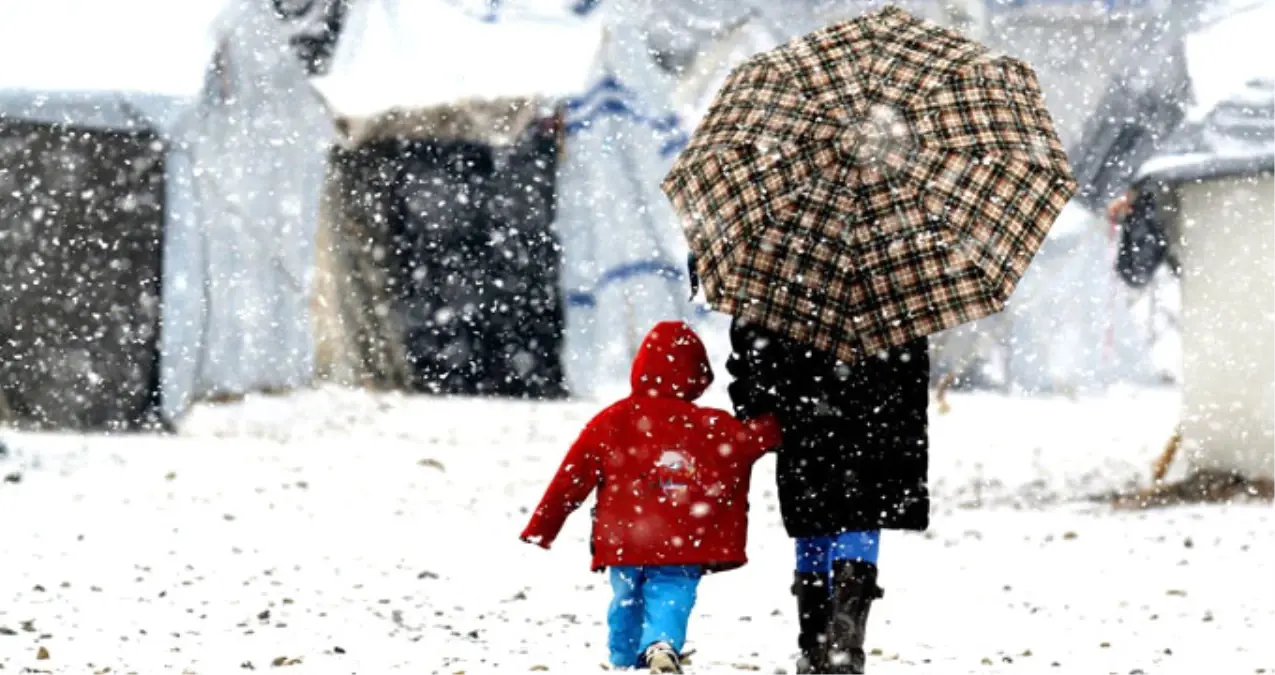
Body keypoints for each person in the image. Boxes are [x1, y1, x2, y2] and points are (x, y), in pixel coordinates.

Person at [520, 320, 781, 674]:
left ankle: (623, 658)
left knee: (625, 598)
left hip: (622, 538)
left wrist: (543, 526)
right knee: (672, 592)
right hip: (683, 540)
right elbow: (752, 440)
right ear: (696, 375)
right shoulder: (709, 425)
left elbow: (571, 477)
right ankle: (660, 645)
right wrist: (779, 418)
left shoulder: (611, 420)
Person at [725, 314, 930, 675]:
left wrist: (756, 402)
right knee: (860, 516)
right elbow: (911, 364)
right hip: (874, 419)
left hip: (804, 416)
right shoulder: (891, 282)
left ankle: (815, 646)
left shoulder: (783, 280)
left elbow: (751, 351)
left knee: (813, 520)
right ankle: (844, 646)